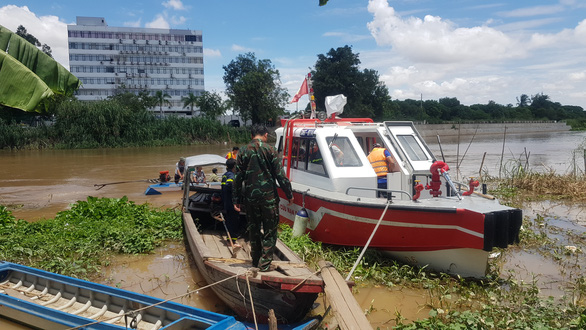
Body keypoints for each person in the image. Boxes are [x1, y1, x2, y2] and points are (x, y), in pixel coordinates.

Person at [233, 124, 294, 272]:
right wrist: (289, 194)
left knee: (253, 229)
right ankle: (265, 265)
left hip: (251, 199)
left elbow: (237, 177)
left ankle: (255, 261)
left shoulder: (242, 151)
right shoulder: (270, 150)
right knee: (270, 231)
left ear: (252, 135)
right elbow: (280, 175)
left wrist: (236, 199)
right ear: (265, 135)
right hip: (269, 198)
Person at [221, 159, 242, 237]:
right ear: (234, 166)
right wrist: (235, 200)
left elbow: (223, 188)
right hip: (232, 203)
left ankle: (229, 238)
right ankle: (233, 240)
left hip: (226, 202)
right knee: (234, 221)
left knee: (229, 220)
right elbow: (229, 185)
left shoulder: (225, 175)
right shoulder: (232, 176)